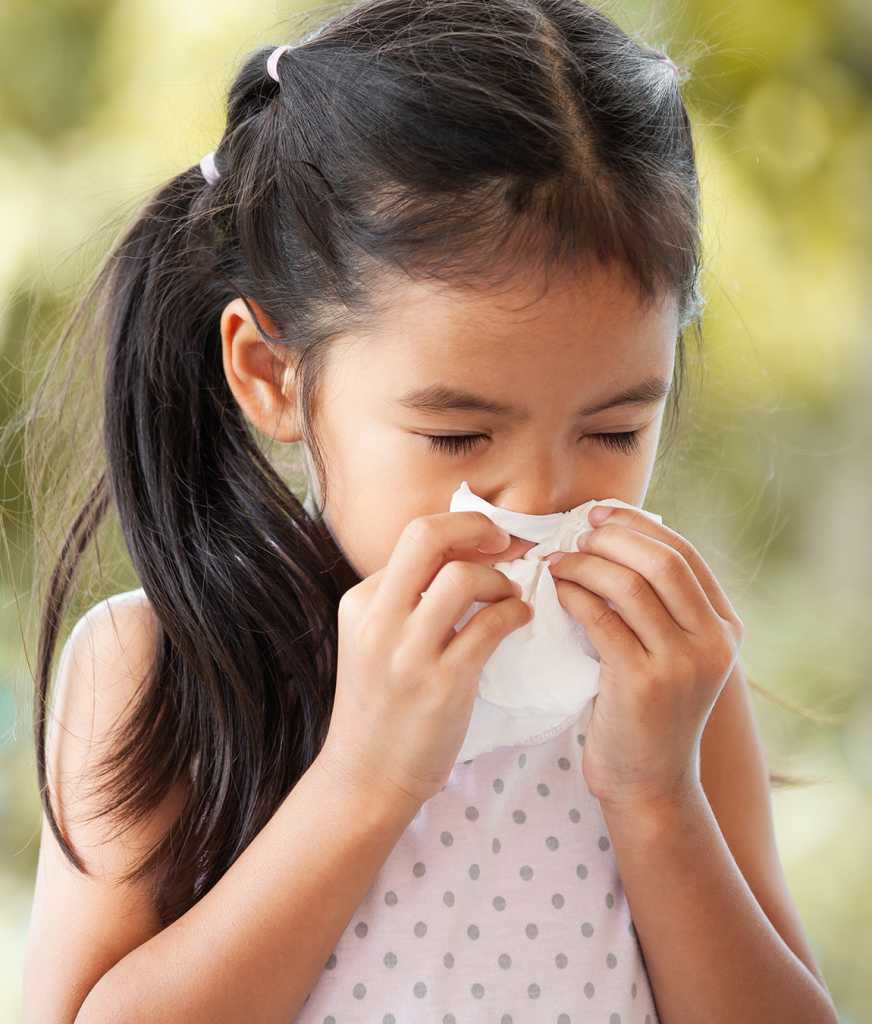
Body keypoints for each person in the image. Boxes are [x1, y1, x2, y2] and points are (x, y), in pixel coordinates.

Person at [22, 1, 839, 1022]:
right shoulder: (161, 666)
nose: (540, 500)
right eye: (457, 437)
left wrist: (655, 798)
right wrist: (362, 781)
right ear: (271, 375)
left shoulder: (663, 686)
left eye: (613, 431)